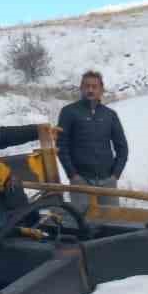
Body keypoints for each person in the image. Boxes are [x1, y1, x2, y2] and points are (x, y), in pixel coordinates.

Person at [56, 71, 128, 214]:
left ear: (101, 89)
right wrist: (72, 175)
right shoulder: (69, 112)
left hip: (107, 180)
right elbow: (61, 146)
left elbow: (122, 148)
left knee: (111, 219)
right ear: (81, 88)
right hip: (80, 179)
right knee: (80, 220)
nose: (90, 90)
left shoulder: (110, 115)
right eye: (87, 86)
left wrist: (115, 175)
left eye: (94, 86)